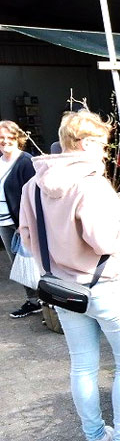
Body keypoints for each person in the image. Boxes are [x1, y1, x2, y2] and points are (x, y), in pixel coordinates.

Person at [17, 110, 120, 441]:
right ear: (84, 143)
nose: (104, 151)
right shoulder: (91, 184)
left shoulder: (33, 184)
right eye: (101, 143)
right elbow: (103, 241)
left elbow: (26, 237)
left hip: (63, 289)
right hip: (106, 285)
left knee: (82, 365)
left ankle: (97, 439)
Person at [0, 121, 39, 318]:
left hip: (20, 222)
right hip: (3, 222)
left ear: (18, 138)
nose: (5, 141)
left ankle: (48, 301)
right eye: (1, 138)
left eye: (10, 137)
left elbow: (32, 195)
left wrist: (24, 223)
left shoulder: (26, 162)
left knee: (33, 261)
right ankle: (33, 301)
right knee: (18, 263)